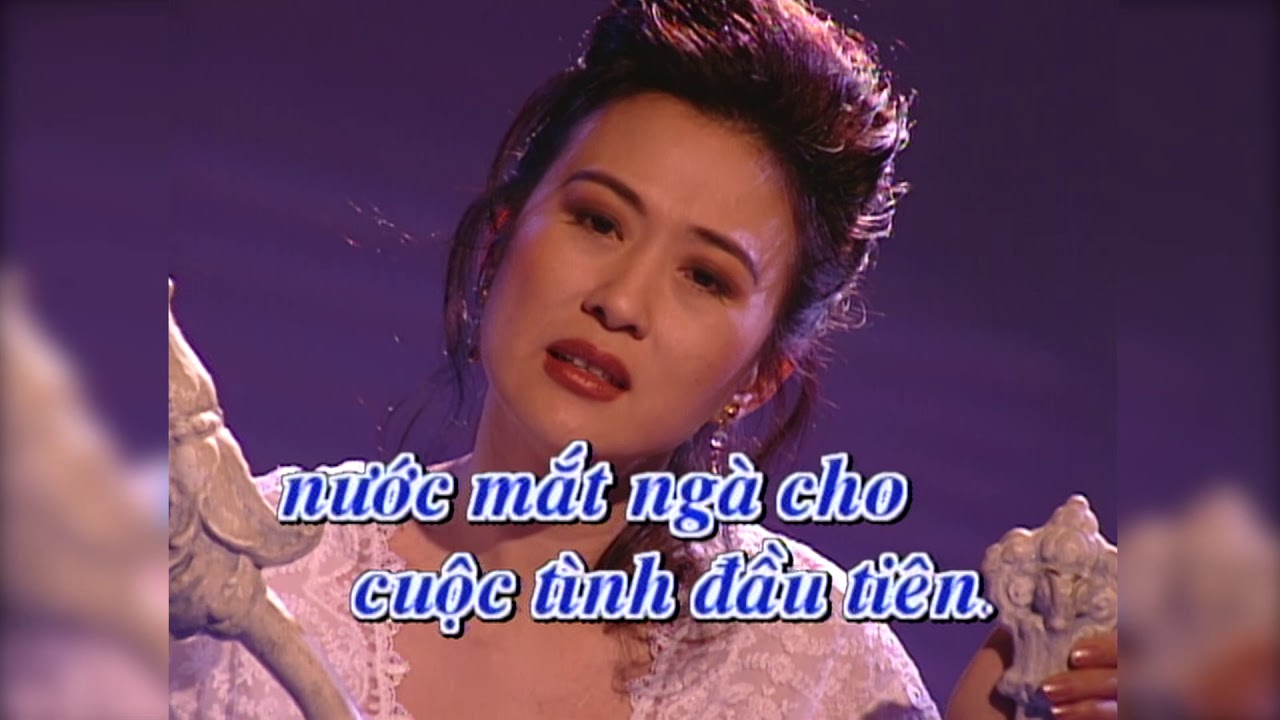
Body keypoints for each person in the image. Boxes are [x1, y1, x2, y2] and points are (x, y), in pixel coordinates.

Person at [169, 1, 1118, 718]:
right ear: (502, 236)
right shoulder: (244, 578)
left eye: (705, 277)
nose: (620, 302)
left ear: (760, 376)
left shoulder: (821, 668)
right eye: (596, 220)